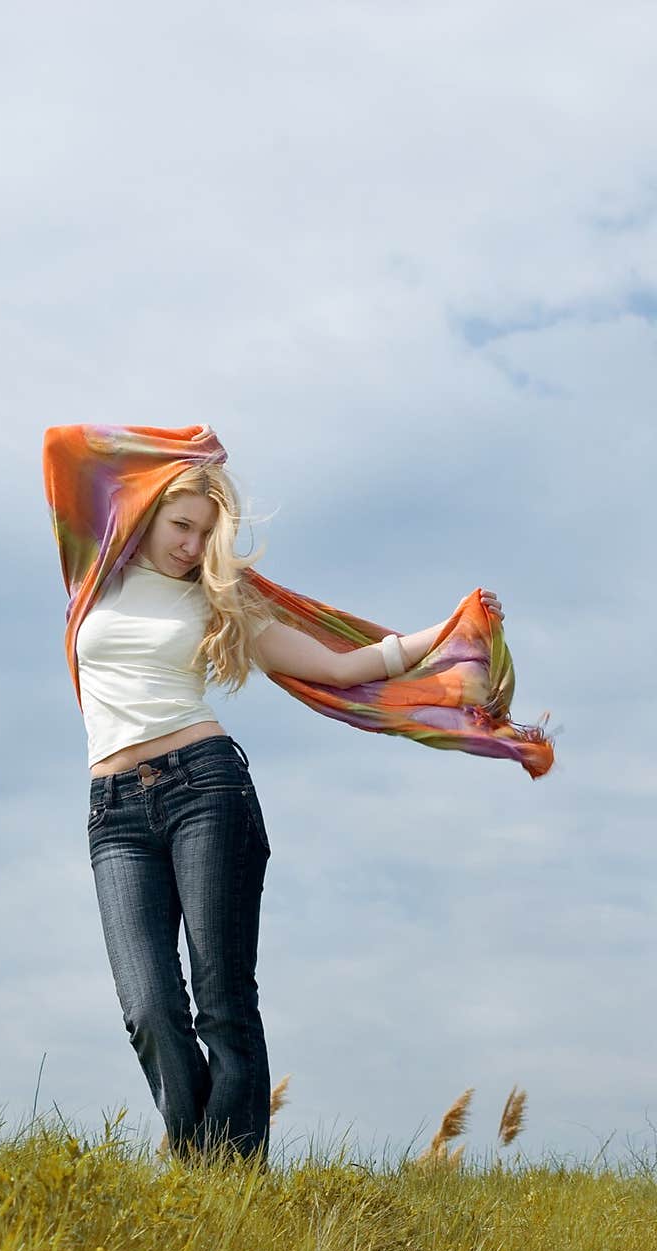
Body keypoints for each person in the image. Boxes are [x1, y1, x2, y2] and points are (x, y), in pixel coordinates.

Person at [72, 451, 505, 1166]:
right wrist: (185, 449)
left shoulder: (215, 599)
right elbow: (68, 449)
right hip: (111, 810)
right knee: (147, 1008)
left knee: (222, 1001)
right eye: (180, 525)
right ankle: (200, 1163)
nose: (189, 546)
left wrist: (451, 631)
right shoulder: (91, 570)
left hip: (204, 788)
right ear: (147, 512)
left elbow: (337, 666)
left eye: (204, 535)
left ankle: (223, 1189)